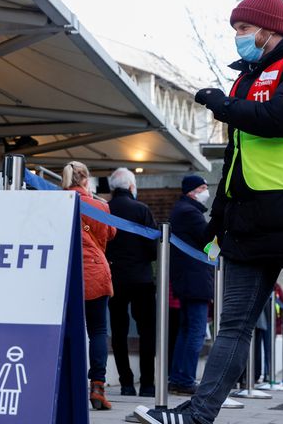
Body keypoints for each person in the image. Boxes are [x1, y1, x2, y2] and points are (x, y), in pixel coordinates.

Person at [135, 0, 283, 423]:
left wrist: (221, 103)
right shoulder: (247, 78)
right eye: (236, 29)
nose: (238, 37)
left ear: (268, 28)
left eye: (243, 29)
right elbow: (238, 159)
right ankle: (198, 415)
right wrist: (215, 222)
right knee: (233, 325)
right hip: (250, 220)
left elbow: (282, 118)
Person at [61, 161, 117, 410]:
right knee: (97, 330)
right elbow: (111, 233)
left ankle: (62, 383)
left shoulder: (55, 203)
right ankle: (98, 386)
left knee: (65, 329)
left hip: (65, 273)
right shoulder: (99, 205)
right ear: (86, 180)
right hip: (95, 271)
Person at [105, 168, 158, 397]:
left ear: (112, 187)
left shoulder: (104, 209)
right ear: (131, 186)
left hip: (114, 277)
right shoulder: (142, 210)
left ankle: (126, 383)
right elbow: (154, 248)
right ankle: (147, 384)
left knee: (118, 332)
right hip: (141, 279)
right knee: (147, 331)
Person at [168, 175, 214, 395]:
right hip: (195, 280)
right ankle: (185, 379)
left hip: (186, 279)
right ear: (192, 191)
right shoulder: (190, 213)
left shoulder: (181, 210)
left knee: (186, 330)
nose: (206, 192)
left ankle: (178, 377)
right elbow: (209, 244)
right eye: (203, 188)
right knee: (195, 331)